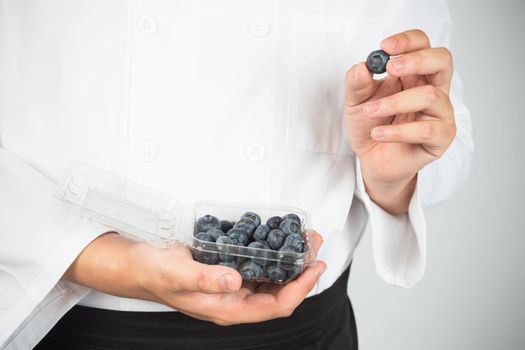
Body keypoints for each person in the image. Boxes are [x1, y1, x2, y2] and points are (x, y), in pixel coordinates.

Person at [0, 0, 473, 349]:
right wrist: (108, 262)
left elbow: (450, 149)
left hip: (304, 337)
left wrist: (392, 177)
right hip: (61, 321)